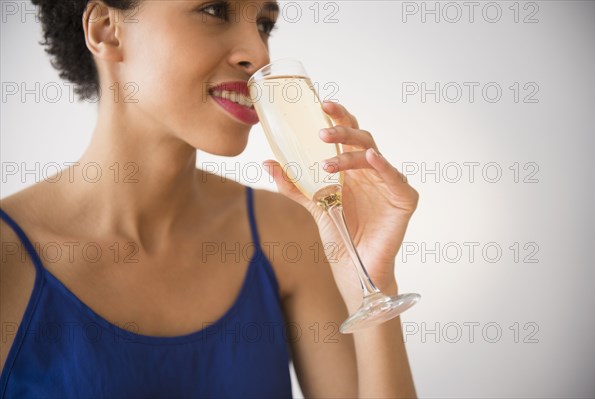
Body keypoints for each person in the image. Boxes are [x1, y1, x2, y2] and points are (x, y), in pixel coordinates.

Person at [0, 0, 420, 397]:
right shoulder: (7, 258)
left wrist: (371, 276)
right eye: (214, 10)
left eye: (264, 24)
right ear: (106, 30)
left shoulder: (287, 233)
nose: (257, 52)